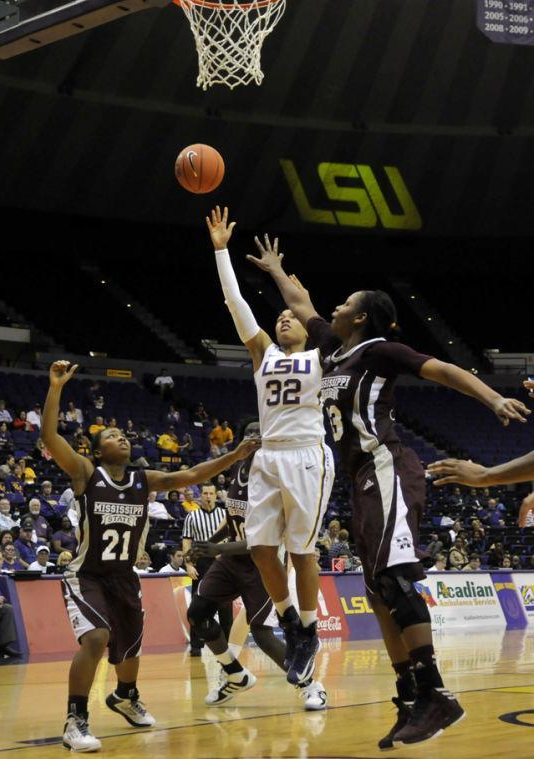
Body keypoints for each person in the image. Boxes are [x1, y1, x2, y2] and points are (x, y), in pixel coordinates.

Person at [250, 236, 530, 747]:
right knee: (377, 591)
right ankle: (407, 695)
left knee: (397, 583)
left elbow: (442, 369)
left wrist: (492, 398)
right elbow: (302, 303)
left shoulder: (379, 351)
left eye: (346, 302)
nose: (334, 307)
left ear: (360, 317)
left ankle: (437, 694)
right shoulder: (331, 351)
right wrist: (274, 270)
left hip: (388, 468)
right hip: (360, 478)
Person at [41, 360, 259, 752]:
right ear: (97, 448)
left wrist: (235, 455)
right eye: (111, 435)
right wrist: (56, 387)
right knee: (96, 637)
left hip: (124, 576)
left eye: (124, 435)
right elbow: (50, 435)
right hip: (87, 574)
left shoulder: (145, 480)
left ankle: (126, 695)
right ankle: (75, 718)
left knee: (128, 649)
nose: (121, 438)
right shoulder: (86, 473)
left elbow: (191, 476)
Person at [206, 207, 335, 688]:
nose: (283, 319)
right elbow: (235, 302)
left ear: (305, 327)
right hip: (269, 455)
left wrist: (284, 280)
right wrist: (221, 250)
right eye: (278, 317)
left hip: (307, 453)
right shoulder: (264, 353)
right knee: (262, 550)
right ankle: (290, 624)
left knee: (302, 553)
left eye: (289, 318)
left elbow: (303, 304)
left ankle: (309, 629)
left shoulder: (322, 355)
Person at [187, 419, 327, 710]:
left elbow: (265, 540)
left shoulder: (273, 477)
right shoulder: (238, 470)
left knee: (262, 633)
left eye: (258, 434)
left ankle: (311, 686)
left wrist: (216, 548)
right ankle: (235, 674)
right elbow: (234, 520)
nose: (253, 438)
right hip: (230, 561)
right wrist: (207, 546)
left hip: (262, 565)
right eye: (248, 432)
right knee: (198, 613)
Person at [182, 483, 233, 656]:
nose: (208, 496)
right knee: (197, 604)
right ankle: (196, 646)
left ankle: (227, 645)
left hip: (222, 560)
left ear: (216, 495)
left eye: (211, 493)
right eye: (205, 493)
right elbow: (187, 541)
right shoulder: (192, 516)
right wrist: (188, 563)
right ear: (200, 495)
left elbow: (232, 537)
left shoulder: (224, 514)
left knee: (226, 606)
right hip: (201, 561)